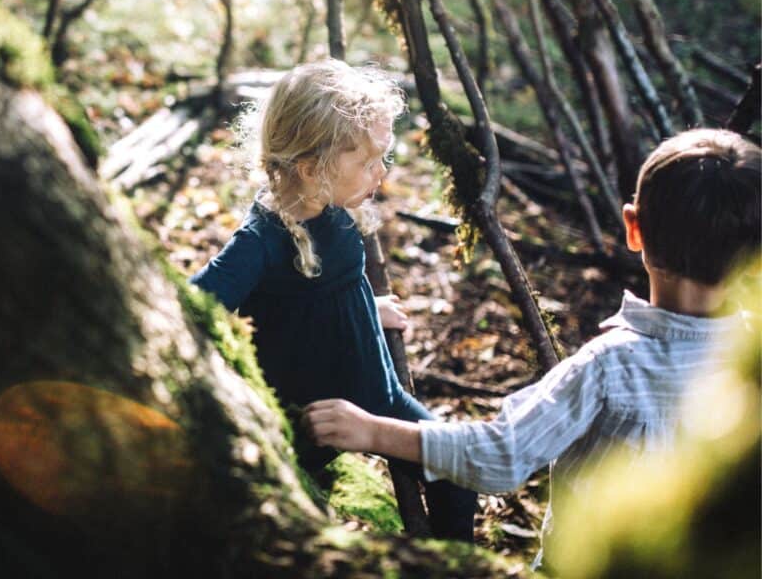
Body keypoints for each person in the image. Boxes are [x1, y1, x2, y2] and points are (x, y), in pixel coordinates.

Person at [302, 127, 761, 567]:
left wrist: (372, 432)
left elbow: (502, 456)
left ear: (632, 227)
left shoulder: (612, 365)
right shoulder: (751, 368)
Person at [189, 59, 477, 541]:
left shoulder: (330, 205)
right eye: (367, 162)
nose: (380, 172)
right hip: (316, 420)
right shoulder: (261, 241)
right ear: (309, 168)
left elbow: (326, 283)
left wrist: (363, 307)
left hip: (375, 392)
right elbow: (196, 305)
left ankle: (453, 564)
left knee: (459, 472)